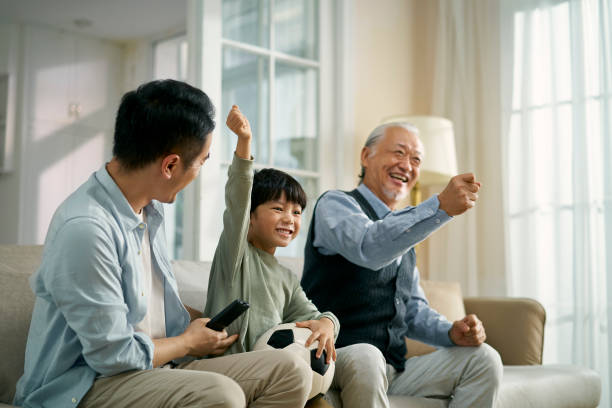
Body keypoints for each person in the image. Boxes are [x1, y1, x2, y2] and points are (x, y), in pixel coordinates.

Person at [14, 79, 312, 408]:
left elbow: (143, 305)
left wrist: (199, 323)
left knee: (291, 370)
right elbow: (113, 355)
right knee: (221, 394)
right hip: (87, 384)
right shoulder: (87, 229)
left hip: (154, 366)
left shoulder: (148, 212)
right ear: (170, 165)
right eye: (201, 161)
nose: (199, 171)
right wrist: (186, 343)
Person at [301, 122, 503, 408]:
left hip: (393, 367)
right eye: (399, 153)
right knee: (367, 356)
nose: (407, 165)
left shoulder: (406, 233)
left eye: (416, 159)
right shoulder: (335, 204)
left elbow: (412, 311)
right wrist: (439, 207)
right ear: (365, 156)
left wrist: (450, 332)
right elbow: (369, 247)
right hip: (337, 357)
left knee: (484, 359)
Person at [204, 104, 339, 364]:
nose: (289, 218)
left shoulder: (286, 279)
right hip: (225, 366)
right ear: (250, 218)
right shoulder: (236, 253)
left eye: (297, 212)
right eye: (278, 208)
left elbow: (314, 314)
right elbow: (238, 199)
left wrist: (328, 324)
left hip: (270, 372)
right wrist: (244, 142)